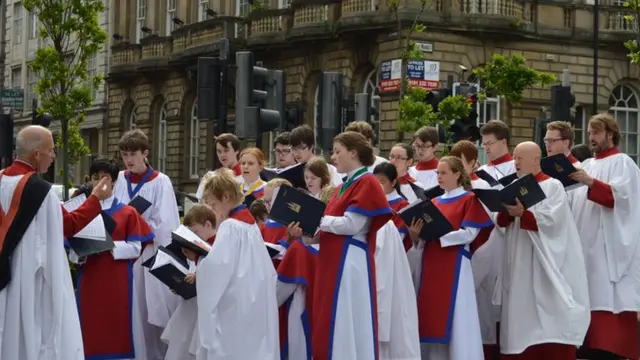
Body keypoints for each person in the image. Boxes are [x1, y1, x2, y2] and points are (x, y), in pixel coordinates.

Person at [495, 142, 590, 359]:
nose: (515, 162)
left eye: (519, 158)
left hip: (543, 262)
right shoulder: (512, 186)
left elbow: (554, 220)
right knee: (520, 311)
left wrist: (524, 214)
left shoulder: (552, 186)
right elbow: (501, 222)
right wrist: (506, 212)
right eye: (515, 158)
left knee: (546, 312)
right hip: (518, 259)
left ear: (536, 160)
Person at [0, 125, 84, 360]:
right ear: (37, 155)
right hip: (27, 280)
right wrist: (96, 199)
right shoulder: (41, 191)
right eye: (51, 150)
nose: (54, 156)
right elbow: (64, 231)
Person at [310, 131, 393, 359]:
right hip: (336, 257)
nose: (333, 157)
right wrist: (305, 232)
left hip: (349, 259)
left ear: (353, 153)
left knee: (345, 318)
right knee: (334, 318)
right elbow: (329, 227)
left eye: (338, 151)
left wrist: (317, 220)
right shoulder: (343, 187)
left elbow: (352, 224)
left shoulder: (367, 182)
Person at [568, 113, 640, 360]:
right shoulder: (585, 165)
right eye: (589, 133)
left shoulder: (624, 163)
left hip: (609, 248)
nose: (591, 138)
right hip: (585, 245)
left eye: (596, 132)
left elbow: (622, 200)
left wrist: (590, 182)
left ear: (610, 134)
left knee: (607, 299)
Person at [410, 156, 493, 360]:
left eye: (444, 172)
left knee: (456, 317)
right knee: (431, 315)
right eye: (437, 173)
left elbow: (469, 234)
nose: (439, 176)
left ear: (457, 174)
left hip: (455, 263)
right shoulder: (433, 202)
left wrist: (439, 236)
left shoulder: (469, 199)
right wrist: (417, 234)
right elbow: (423, 240)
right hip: (431, 263)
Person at [72, 157, 154, 360]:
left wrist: (110, 245)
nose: (99, 183)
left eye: (105, 178)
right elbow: (71, 252)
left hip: (118, 279)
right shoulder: (80, 213)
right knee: (89, 325)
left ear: (114, 182)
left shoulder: (128, 212)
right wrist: (81, 253)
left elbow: (136, 247)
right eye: (95, 178)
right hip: (90, 276)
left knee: (119, 325)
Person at [196, 168, 279, 359]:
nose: (211, 210)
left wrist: (201, 264)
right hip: (253, 300)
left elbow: (216, 271)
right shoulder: (249, 224)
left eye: (212, 204)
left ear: (225, 197)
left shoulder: (231, 227)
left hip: (234, 306)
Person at [113, 129, 181, 360]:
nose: (128, 159)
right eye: (124, 154)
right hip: (124, 253)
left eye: (133, 154)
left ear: (145, 153)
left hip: (148, 254)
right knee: (127, 311)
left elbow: (166, 224)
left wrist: (136, 224)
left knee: (149, 311)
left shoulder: (161, 181)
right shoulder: (120, 179)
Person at [162, 204, 218, 360]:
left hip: (204, 310)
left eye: (195, 232)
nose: (194, 237)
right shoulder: (199, 245)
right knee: (181, 346)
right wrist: (180, 283)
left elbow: (220, 272)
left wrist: (199, 275)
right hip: (190, 304)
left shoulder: (219, 244)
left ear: (208, 224)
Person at [373, 162, 411, 249]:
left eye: (382, 182)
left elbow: (399, 237)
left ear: (393, 182)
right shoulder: (370, 201)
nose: (378, 186)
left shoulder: (402, 205)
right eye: (375, 182)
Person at [196, 133, 243, 200]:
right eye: (219, 151)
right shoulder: (210, 177)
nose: (222, 155)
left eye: (226, 150)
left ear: (237, 151)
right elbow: (201, 203)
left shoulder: (247, 177)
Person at [260, 178, 292, 246]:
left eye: (271, 200)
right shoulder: (264, 226)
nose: (267, 205)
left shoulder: (293, 228)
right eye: (265, 201)